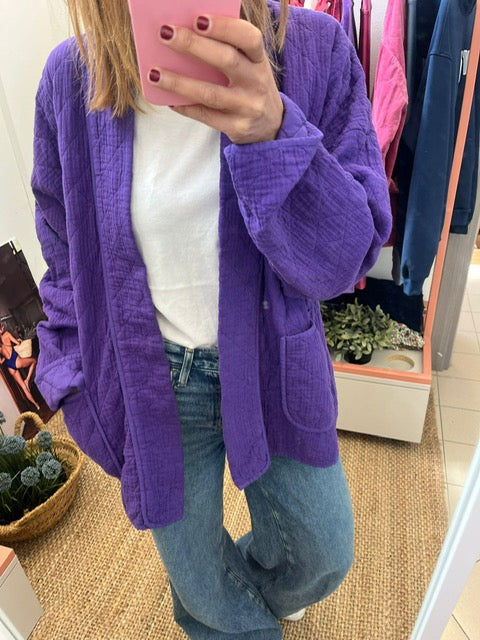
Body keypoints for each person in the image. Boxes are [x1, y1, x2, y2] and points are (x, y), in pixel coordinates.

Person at [32, 0, 391, 637]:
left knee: (323, 555)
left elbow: (344, 261)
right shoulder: (71, 77)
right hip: (153, 383)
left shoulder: (315, 48)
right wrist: (72, 379)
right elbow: (63, 252)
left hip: (274, 359)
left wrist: (275, 132)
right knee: (199, 585)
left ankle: (250, 595)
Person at [0, 324, 40, 410]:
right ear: (1, 329)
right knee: (34, 361)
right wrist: (19, 342)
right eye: (2, 327)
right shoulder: (6, 334)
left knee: (24, 388)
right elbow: (17, 343)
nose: (3, 328)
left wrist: (5, 357)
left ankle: (36, 405)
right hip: (15, 360)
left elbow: (0, 361)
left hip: (9, 366)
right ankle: (27, 379)